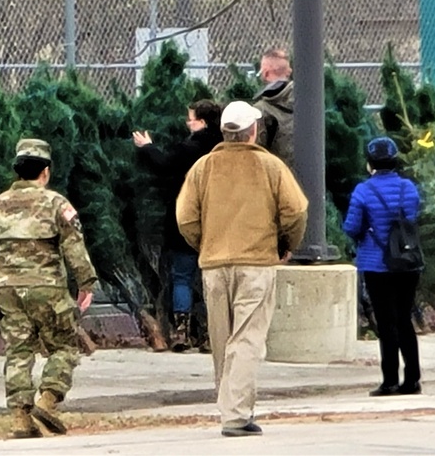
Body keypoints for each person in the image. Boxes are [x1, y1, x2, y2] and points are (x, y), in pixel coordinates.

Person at [175, 100, 308, 437]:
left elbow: (186, 217)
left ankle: (228, 407)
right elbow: (295, 212)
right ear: (253, 131)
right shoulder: (271, 166)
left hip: (213, 264)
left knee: (222, 339)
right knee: (247, 339)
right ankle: (235, 414)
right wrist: (286, 244)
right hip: (257, 263)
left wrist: (204, 243)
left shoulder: (203, 168)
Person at [0, 138, 98, 439]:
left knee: (18, 352)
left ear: (17, 171)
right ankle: (47, 400)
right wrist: (86, 282)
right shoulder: (56, 204)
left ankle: (21, 419)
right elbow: (74, 247)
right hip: (48, 288)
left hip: (7, 289)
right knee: (65, 346)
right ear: (45, 171)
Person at [132, 99, 223, 351]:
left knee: (182, 276)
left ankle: (181, 331)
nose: (187, 122)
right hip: (217, 220)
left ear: (201, 122)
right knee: (210, 279)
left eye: (190, 118)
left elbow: (164, 164)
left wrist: (148, 147)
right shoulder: (225, 148)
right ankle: (208, 334)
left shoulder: (190, 148)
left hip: (186, 218)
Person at [342, 136, 423, 396]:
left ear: (370, 164)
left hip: (376, 264)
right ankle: (412, 379)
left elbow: (351, 227)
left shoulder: (363, 191)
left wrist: (366, 231)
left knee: (386, 322)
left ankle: (389, 380)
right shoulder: (408, 188)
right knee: (404, 319)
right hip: (408, 262)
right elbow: (411, 217)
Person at [252, 48, 295, 173]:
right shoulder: (308, 103)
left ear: (265, 73)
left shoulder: (260, 110)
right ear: (288, 72)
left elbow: (256, 151)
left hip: (276, 178)